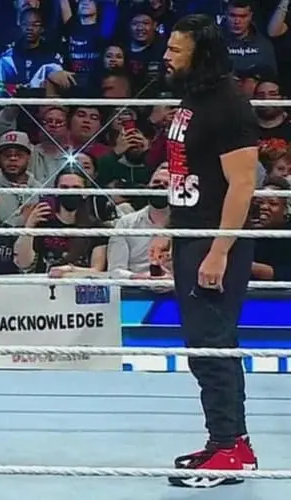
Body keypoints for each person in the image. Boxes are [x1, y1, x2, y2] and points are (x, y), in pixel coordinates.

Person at [162, 14, 258, 487]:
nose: (166, 56)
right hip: (191, 233)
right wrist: (170, 231)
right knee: (204, 347)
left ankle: (231, 447)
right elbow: (187, 170)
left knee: (213, 345)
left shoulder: (229, 106)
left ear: (199, 54)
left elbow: (242, 185)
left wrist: (219, 250)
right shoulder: (194, 96)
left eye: (175, 50)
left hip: (214, 241)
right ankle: (225, 442)